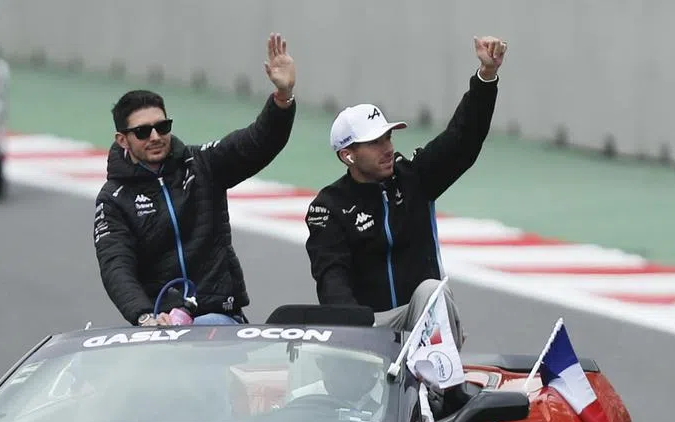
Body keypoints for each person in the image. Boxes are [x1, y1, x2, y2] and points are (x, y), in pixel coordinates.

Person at [303, 36, 509, 342]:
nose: (387, 148)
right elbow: (332, 282)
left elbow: (463, 138)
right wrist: (356, 336)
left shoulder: (414, 177)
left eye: (388, 137)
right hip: (367, 328)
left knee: (431, 290)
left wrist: (486, 76)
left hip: (420, 320)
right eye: (375, 142)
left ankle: (446, 387)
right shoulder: (329, 207)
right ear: (348, 155)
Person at [93, 33, 298, 328]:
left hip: (220, 317)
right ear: (122, 140)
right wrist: (144, 315)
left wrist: (282, 98)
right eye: (142, 131)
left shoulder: (201, 163)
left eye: (162, 127)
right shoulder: (113, 199)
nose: (155, 136)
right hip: (161, 325)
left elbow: (257, 142)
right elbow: (116, 267)